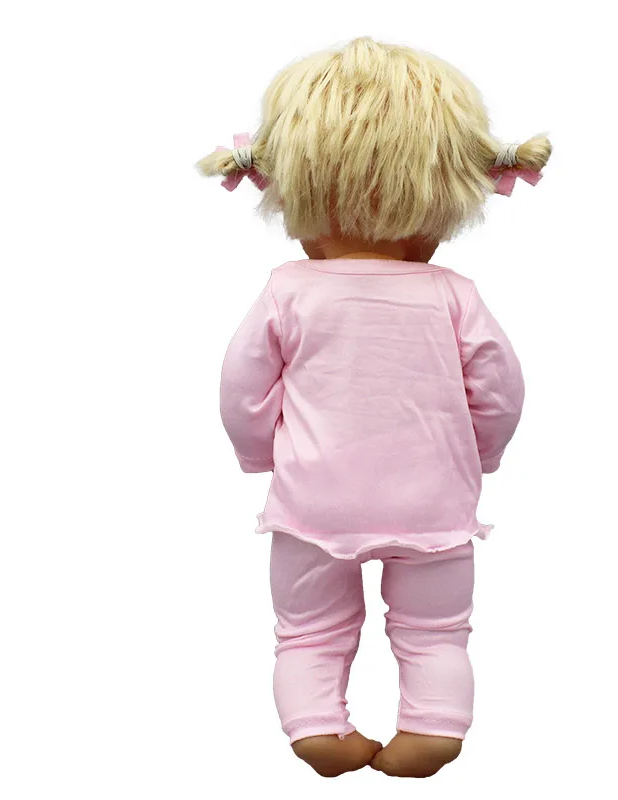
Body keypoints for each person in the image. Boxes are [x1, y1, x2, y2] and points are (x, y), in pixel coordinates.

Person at [195, 36, 551, 779]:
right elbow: (501, 391)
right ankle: (433, 730)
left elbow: (242, 389)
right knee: (437, 631)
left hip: (312, 504)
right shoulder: (453, 295)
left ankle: (317, 731)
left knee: (307, 633)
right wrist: (479, 456)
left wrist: (260, 454)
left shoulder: (289, 289)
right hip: (434, 506)